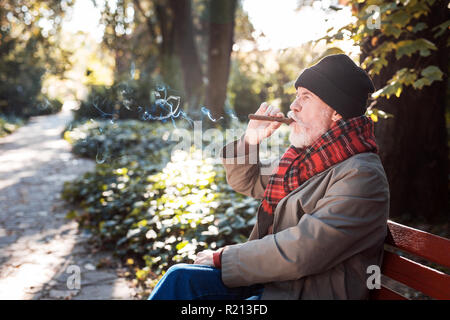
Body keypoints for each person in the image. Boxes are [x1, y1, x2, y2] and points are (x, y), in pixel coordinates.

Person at [148, 54, 390, 300]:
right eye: (297, 96)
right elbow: (247, 182)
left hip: (304, 293)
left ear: (336, 112)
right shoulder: (306, 160)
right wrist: (249, 141)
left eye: (306, 97)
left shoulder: (361, 176)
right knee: (180, 278)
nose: (293, 106)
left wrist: (226, 257)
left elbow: (303, 250)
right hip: (276, 285)